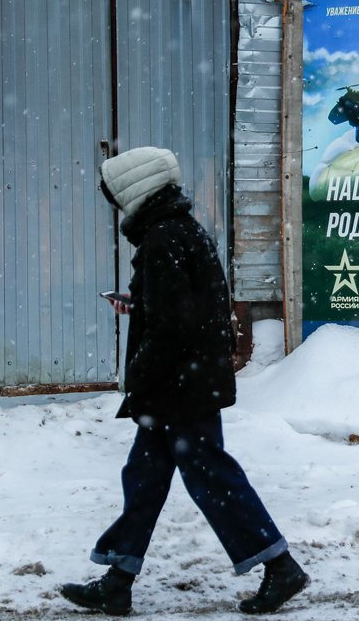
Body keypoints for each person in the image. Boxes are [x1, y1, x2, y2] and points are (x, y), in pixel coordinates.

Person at [60, 146, 308, 617]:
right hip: (184, 382)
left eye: (116, 196)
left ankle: (280, 566)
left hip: (179, 387)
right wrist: (140, 302)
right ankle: (118, 580)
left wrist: (140, 374)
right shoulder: (179, 231)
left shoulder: (163, 239)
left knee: (211, 477)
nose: (116, 205)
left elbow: (174, 326)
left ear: (135, 191)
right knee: (145, 478)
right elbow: (187, 307)